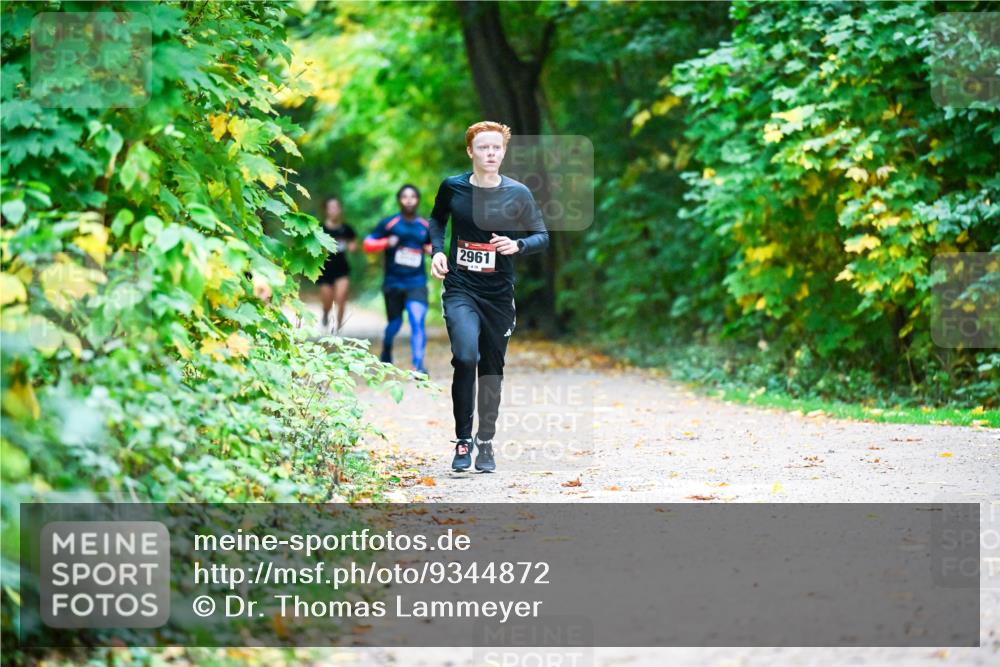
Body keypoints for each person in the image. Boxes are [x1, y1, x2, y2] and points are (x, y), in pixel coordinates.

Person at [428, 121, 549, 473]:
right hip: (461, 287)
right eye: (483, 147)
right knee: (466, 357)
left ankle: (486, 441)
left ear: (503, 152)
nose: (490, 153)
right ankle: (463, 441)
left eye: (496, 147)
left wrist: (518, 244)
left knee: (492, 369)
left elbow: (542, 236)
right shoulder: (453, 187)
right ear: (471, 151)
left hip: (498, 293)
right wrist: (437, 251)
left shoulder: (519, 193)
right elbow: (436, 221)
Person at [363, 184, 432, 375]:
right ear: (399, 200)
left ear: (418, 200)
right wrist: (386, 242)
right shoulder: (389, 224)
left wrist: (430, 250)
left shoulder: (425, 226)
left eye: (413, 197)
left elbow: (434, 247)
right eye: (404, 197)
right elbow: (367, 244)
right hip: (393, 282)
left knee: (417, 320)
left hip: (416, 282)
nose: (409, 200)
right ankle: (386, 350)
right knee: (395, 324)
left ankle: (418, 365)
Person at [317, 196, 357, 332]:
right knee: (327, 300)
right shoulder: (319, 228)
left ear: (340, 210)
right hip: (325, 269)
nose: (334, 210)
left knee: (341, 296)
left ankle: (338, 326)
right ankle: (326, 312)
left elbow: (353, 246)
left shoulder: (346, 229)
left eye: (336, 207)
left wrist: (351, 246)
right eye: (331, 208)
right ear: (326, 210)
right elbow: (312, 248)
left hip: (342, 268)